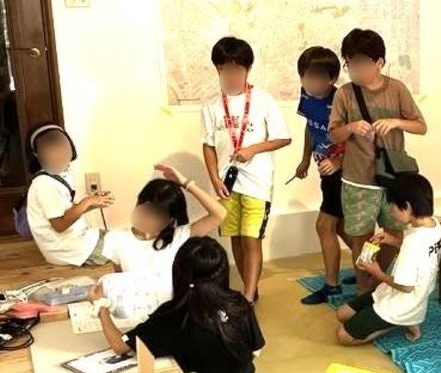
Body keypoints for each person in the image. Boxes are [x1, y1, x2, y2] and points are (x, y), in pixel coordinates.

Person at [97, 237, 265, 373]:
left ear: (178, 272)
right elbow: (256, 349)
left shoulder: (171, 316)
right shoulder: (238, 302)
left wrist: (101, 309)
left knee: (153, 359)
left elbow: (120, 345)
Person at [327, 28, 426, 293]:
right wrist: (351, 128)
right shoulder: (345, 94)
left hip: (393, 177)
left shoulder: (397, 89)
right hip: (358, 180)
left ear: (379, 62)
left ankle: (375, 282)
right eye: (350, 64)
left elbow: (421, 126)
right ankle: (364, 291)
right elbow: (333, 134)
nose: (354, 71)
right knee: (360, 238)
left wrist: (396, 122)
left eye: (360, 63)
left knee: (394, 235)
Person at [200, 36, 292, 303]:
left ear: (247, 69)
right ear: (217, 70)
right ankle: (249, 288)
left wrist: (253, 149)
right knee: (236, 238)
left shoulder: (263, 100)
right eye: (224, 70)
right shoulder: (211, 105)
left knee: (252, 238)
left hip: (257, 182)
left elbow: (283, 138)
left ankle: (248, 295)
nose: (230, 76)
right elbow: (208, 145)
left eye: (236, 70)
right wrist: (214, 178)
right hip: (226, 184)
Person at [96, 164, 227, 322]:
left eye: (158, 215)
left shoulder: (180, 236)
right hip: (136, 316)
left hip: (172, 316)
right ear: (138, 205)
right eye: (147, 210)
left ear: (171, 219)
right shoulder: (117, 238)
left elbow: (219, 214)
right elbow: (122, 281)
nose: (149, 219)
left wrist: (186, 183)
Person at [335, 173, 441, 345]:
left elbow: (406, 287)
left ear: (407, 207)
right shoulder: (434, 225)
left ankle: (401, 321)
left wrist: (376, 272)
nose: (390, 210)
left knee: (343, 336)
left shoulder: (413, 242)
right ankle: (408, 319)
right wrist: (393, 240)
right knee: (342, 314)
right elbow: (419, 253)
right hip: (404, 294)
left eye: (392, 205)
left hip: (404, 303)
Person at [293, 46, 347, 305]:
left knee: (324, 226)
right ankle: (369, 269)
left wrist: (337, 161)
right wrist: (305, 158)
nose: (310, 82)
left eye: (317, 77)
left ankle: (332, 285)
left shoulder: (341, 100)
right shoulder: (306, 96)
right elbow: (309, 127)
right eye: (306, 76)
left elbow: (357, 138)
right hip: (324, 169)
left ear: (332, 78)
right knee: (345, 228)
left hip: (343, 172)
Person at [21, 123, 112, 266]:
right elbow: (60, 225)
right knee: (126, 246)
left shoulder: (59, 176)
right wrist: (87, 202)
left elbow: (68, 212)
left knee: (125, 237)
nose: (58, 155)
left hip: (79, 239)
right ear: (37, 154)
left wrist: (94, 203)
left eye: (62, 148)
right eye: (51, 152)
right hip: (70, 250)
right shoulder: (45, 185)